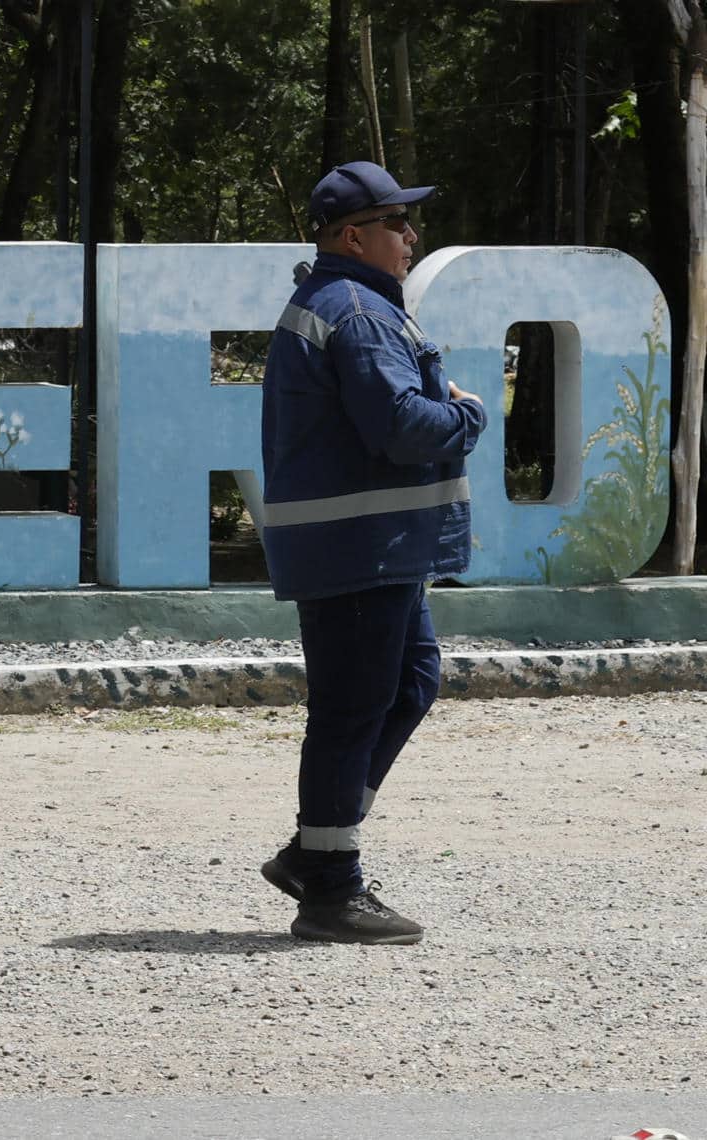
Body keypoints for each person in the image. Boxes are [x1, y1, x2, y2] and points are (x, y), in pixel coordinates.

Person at [257, 161, 488, 945]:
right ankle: (329, 887)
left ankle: (313, 852)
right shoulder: (355, 310)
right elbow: (397, 427)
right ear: (352, 236)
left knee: (408, 686)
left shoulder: (351, 302)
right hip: (359, 549)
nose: (411, 236)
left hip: (375, 549)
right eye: (397, 223)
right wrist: (468, 417)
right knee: (353, 709)